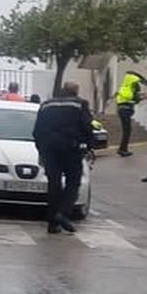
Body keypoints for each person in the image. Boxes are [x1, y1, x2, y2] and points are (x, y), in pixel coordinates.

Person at [33, 81, 94, 234]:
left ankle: (52, 222)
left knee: (54, 184)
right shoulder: (80, 105)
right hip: (71, 149)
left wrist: (41, 149)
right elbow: (87, 127)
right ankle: (63, 213)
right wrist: (89, 146)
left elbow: (37, 130)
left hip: (50, 150)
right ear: (75, 92)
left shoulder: (46, 105)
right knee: (73, 182)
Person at [113, 70, 147, 157]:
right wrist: (143, 97)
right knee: (127, 131)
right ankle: (123, 149)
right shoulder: (133, 86)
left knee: (126, 130)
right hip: (126, 110)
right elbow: (134, 98)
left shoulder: (124, 86)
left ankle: (122, 148)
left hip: (122, 109)